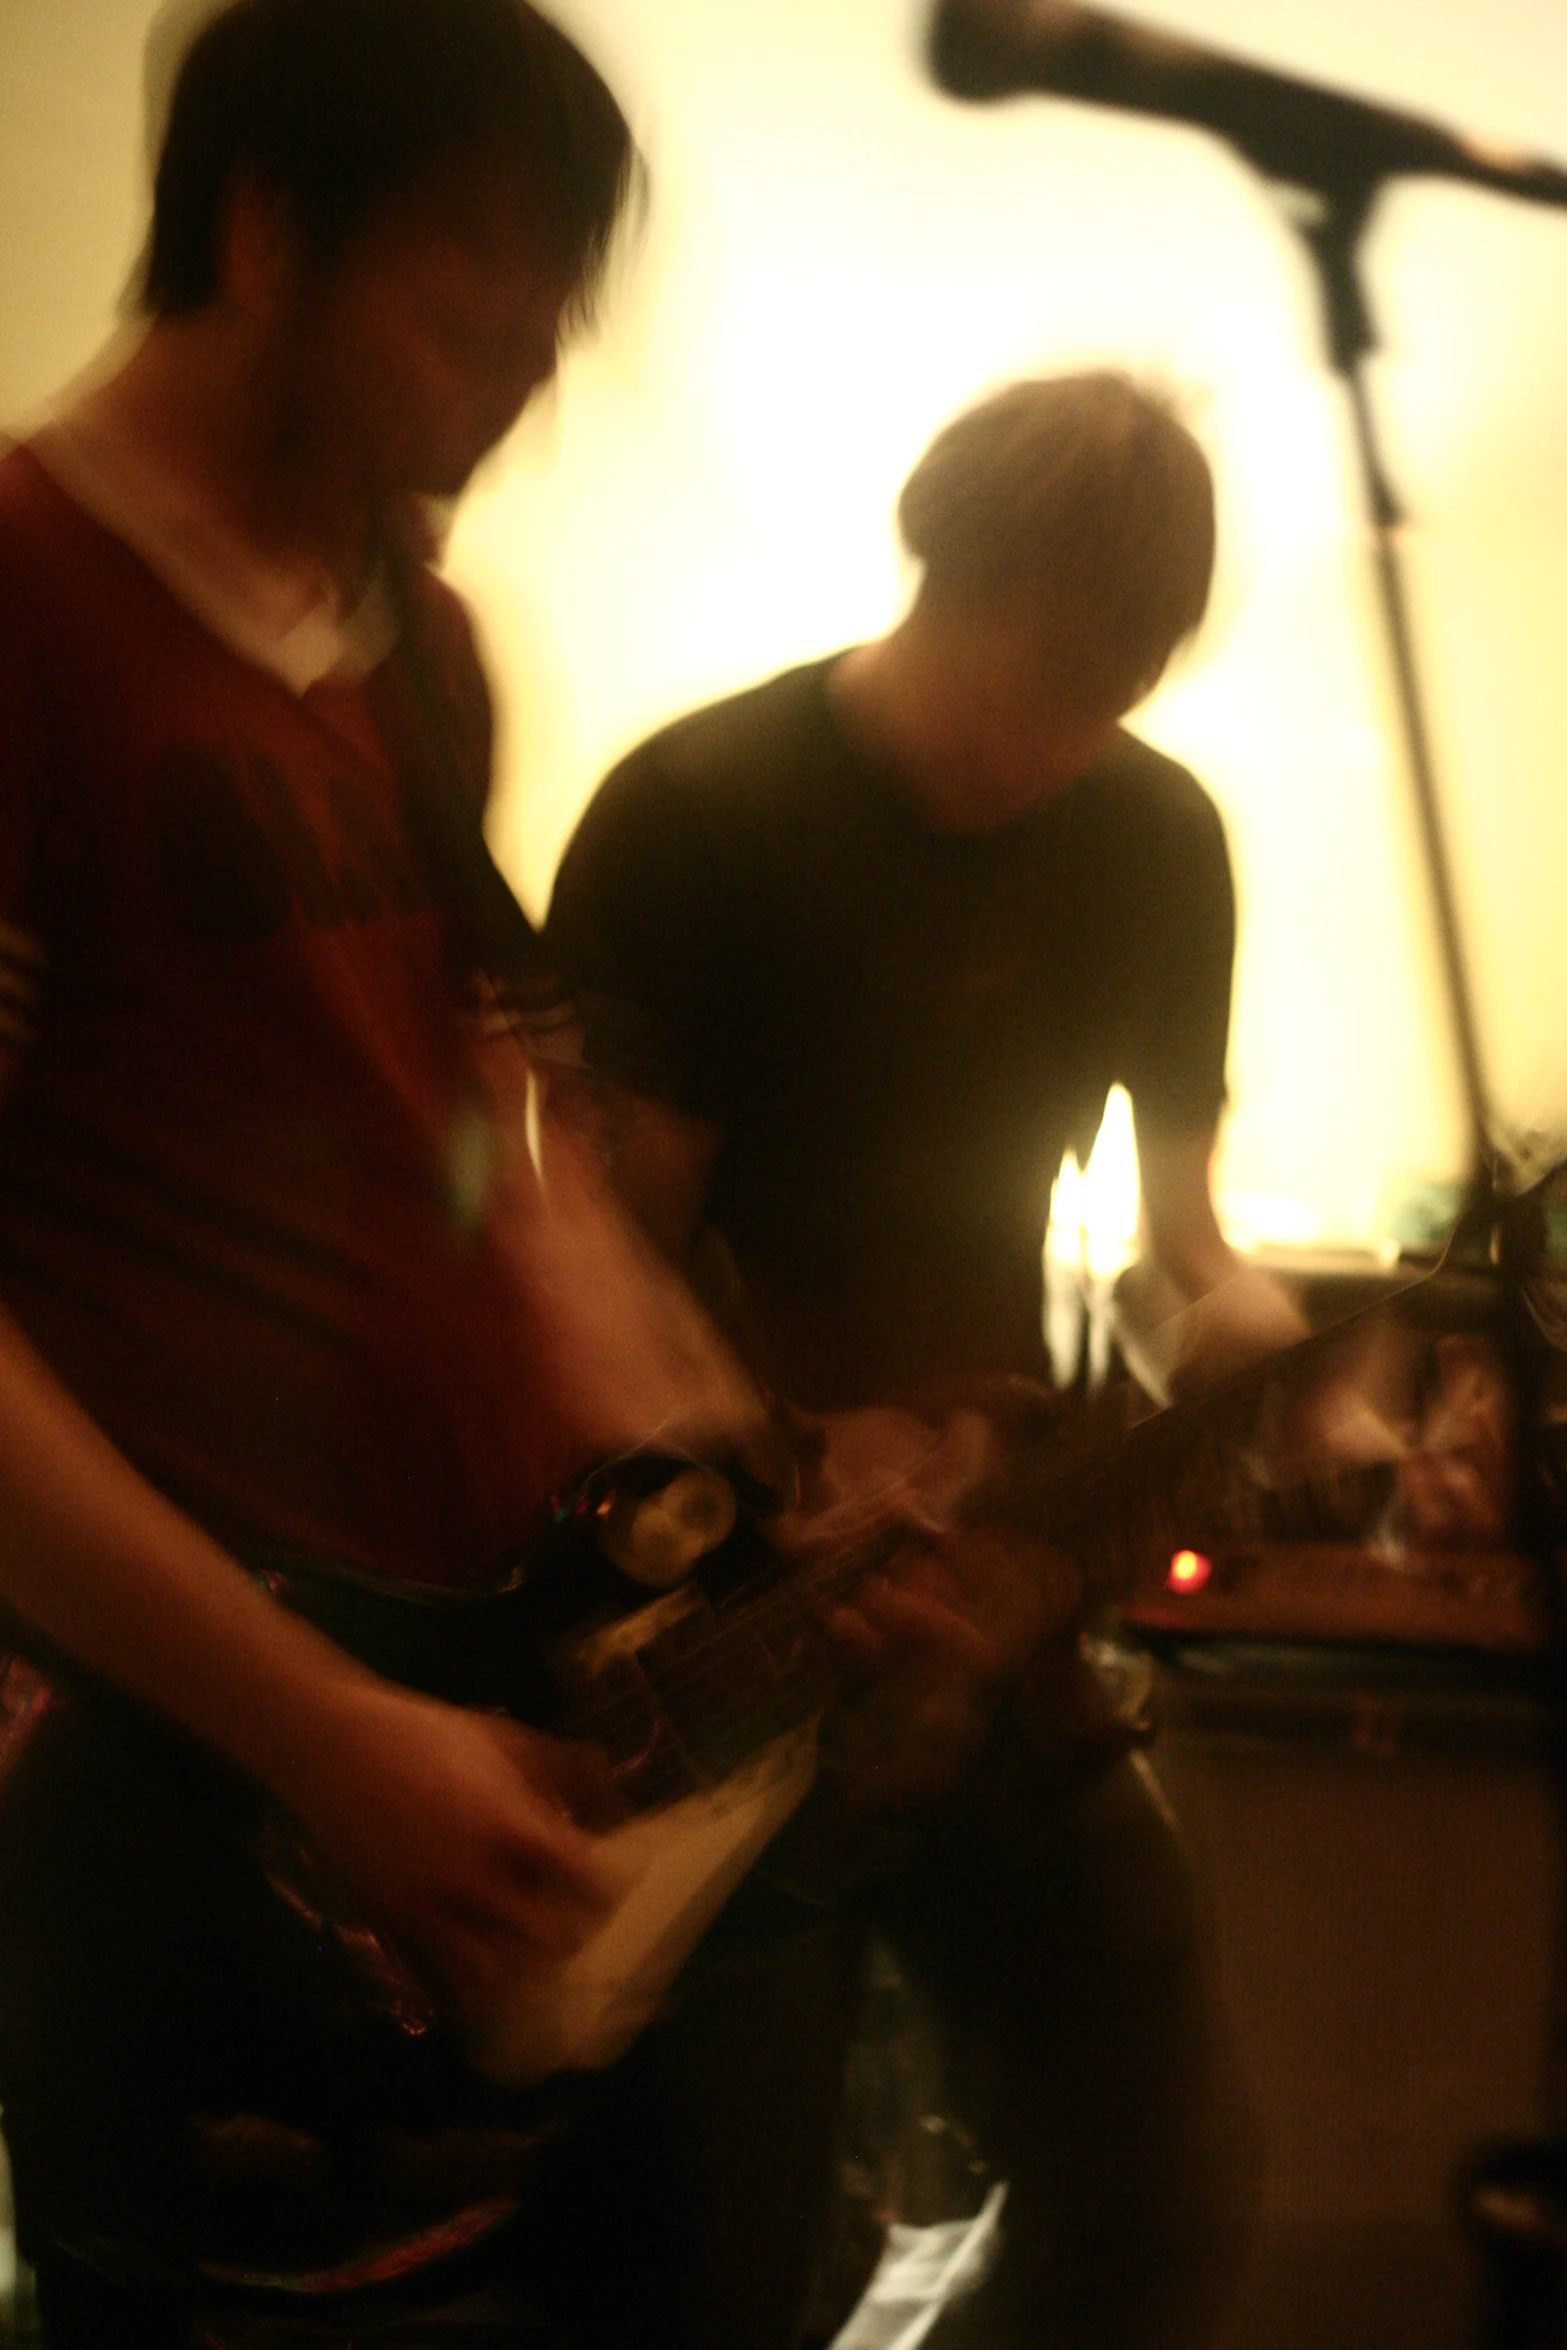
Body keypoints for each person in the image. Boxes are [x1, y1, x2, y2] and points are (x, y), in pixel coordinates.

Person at [545, 373, 1300, 2347]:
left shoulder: (1155, 837)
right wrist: (788, 1444)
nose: (1053, 746)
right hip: (719, 1631)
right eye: (1034, 671)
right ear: (938, 567)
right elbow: (580, 1263)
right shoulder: (701, 811)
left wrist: (1234, 1326)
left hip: (990, 1613)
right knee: (716, 2252)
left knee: (1165, 2176)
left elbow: (1175, 1249)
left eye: (1109, 695)